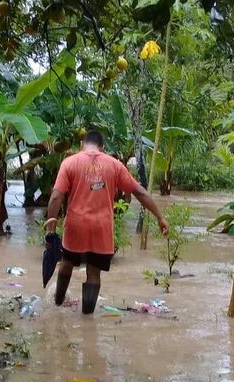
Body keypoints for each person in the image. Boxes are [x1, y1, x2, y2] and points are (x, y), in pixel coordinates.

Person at [45, 129, 169, 314]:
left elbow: (56, 197)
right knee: (94, 273)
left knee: (66, 263)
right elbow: (140, 192)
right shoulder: (115, 165)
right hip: (101, 228)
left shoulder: (70, 163)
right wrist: (160, 217)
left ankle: (58, 302)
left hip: (75, 226)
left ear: (82, 145)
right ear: (102, 148)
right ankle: (87, 316)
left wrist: (50, 225)